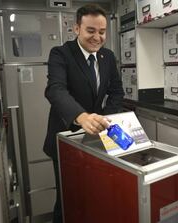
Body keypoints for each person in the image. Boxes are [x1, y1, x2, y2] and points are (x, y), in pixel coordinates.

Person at [43, 4, 124, 223]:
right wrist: (82, 116)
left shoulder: (108, 57)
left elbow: (117, 91)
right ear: (76, 28)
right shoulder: (61, 53)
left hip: (96, 139)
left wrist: (104, 118)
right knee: (68, 198)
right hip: (66, 138)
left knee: (94, 195)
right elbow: (55, 89)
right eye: (91, 30)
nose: (97, 37)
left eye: (102, 32)